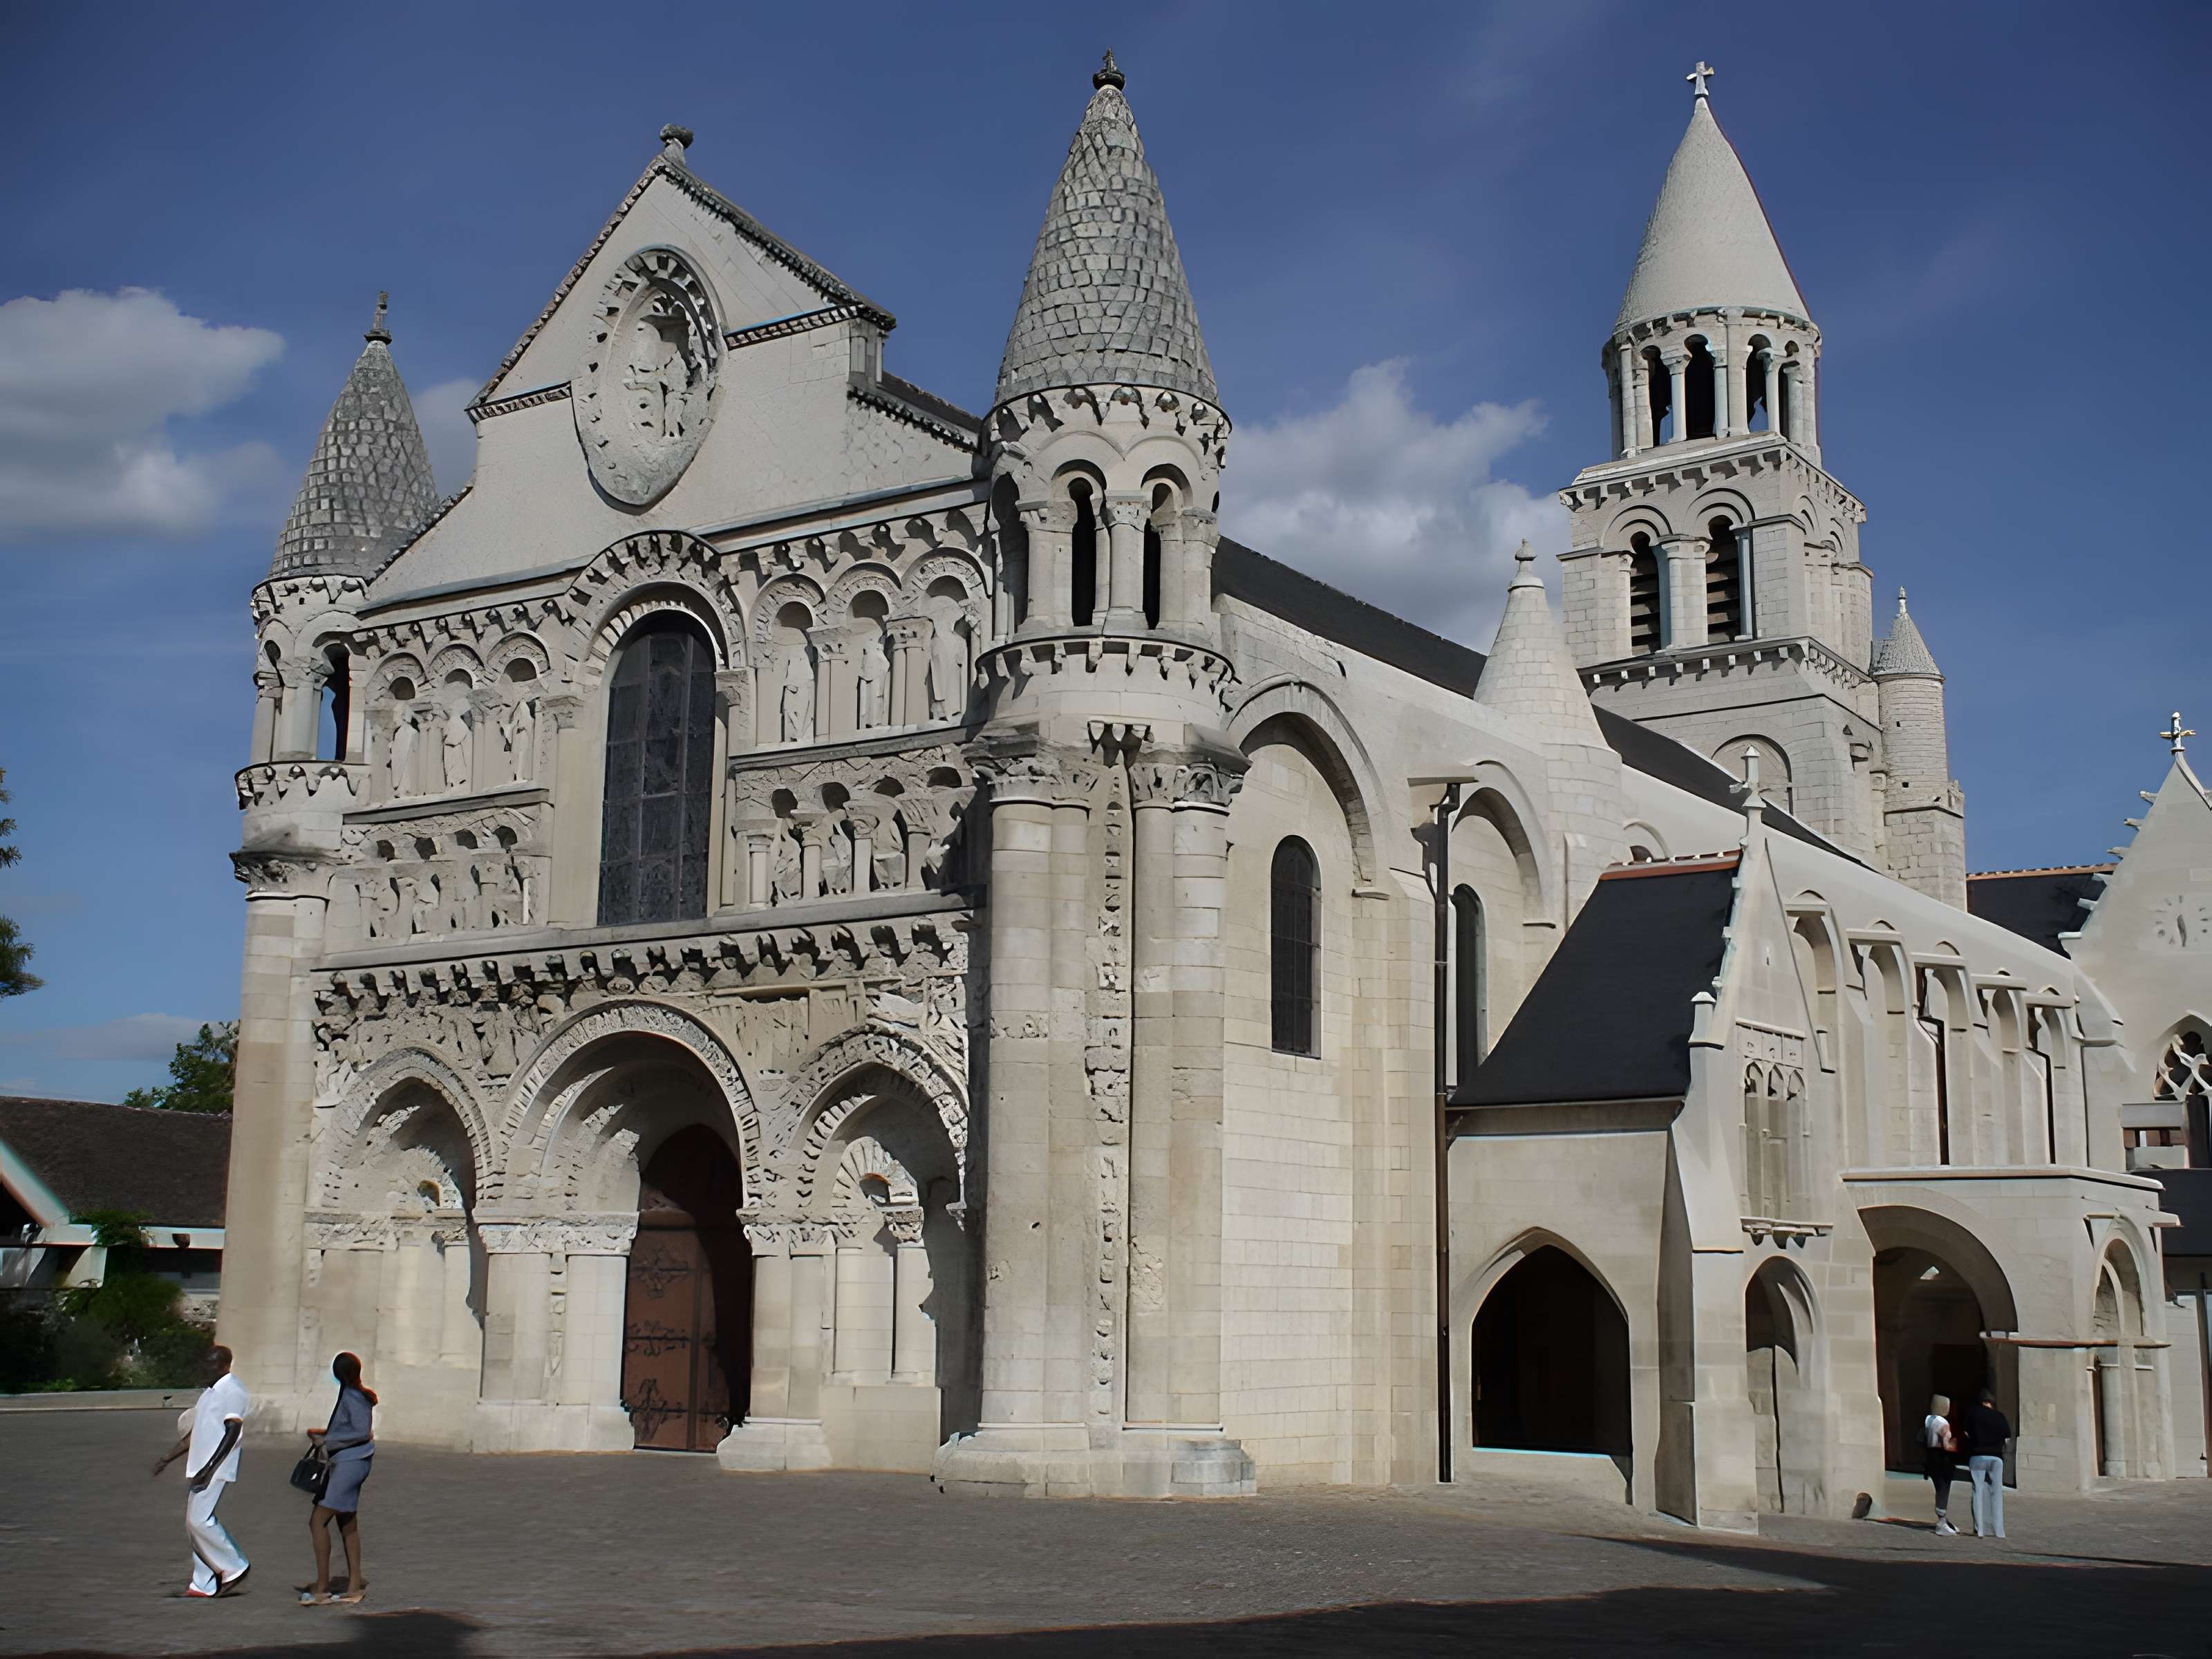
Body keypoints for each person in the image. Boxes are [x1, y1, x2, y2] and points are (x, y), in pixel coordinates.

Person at [152, 1344, 251, 1598]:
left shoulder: (233, 1390)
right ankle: (203, 1583)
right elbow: (195, 1434)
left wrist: (209, 1468)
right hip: (201, 1466)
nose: (206, 1369)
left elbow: (232, 1432)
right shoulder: (209, 1393)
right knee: (193, 1524)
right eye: (204, 1364)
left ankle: (235, 1566)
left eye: (211, 1364)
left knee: (199, 1521)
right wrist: (167, 1458)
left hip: (216, 1466)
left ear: (225, 1365)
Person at [300, 1352, 377, 1606]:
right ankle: (354, 1585)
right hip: (354, 1462)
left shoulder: (353, 1396)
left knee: (318, 1521)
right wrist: (325, 1433)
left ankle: (322, 1588)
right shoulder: (356, 1394)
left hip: (349, 1464)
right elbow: (353, 1429)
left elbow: (361, 1431)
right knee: (347, 1522)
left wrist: (328, 1440)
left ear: (338, 1374)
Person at [1962, 1387, 2012, 1538]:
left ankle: (1980, 1529)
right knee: (1997, 1493)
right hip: (1996, 1458)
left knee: (1978, 1491)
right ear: (1992, 1402)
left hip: (1978, 1456)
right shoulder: (2000, 1416)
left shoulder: (1973, 1413)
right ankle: (1999, 1531)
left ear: (1980, 1401)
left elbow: (1966, 1433)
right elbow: (2007, 1439)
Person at [1921, 1393, 1961, 1535]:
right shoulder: (1943, 1423)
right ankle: (1942, 1521)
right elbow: (1946, 1445)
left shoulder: (1928, 1420)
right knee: (1944, 1488)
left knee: (1939, 1487)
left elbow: (1921, 1438)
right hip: (1942, 1458)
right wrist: (1954, 1444)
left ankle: (1943, 1519)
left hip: (1931, 1457)